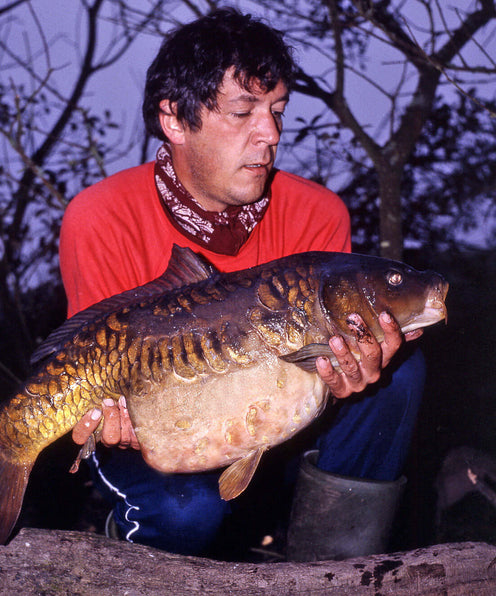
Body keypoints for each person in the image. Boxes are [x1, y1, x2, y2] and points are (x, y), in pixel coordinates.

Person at [59, 8, 425, 558]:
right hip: (162, 442)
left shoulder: (318, 214)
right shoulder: (100, 217)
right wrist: (102, 418)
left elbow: (328, 373)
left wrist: (353, 370)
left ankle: (333, 572)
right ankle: (130, 559)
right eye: (242, 112)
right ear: (175, 120)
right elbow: (92, 376)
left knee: (400, 372)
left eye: (277, 110)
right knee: (188, 509)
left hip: (282, 432)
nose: (270, 134)